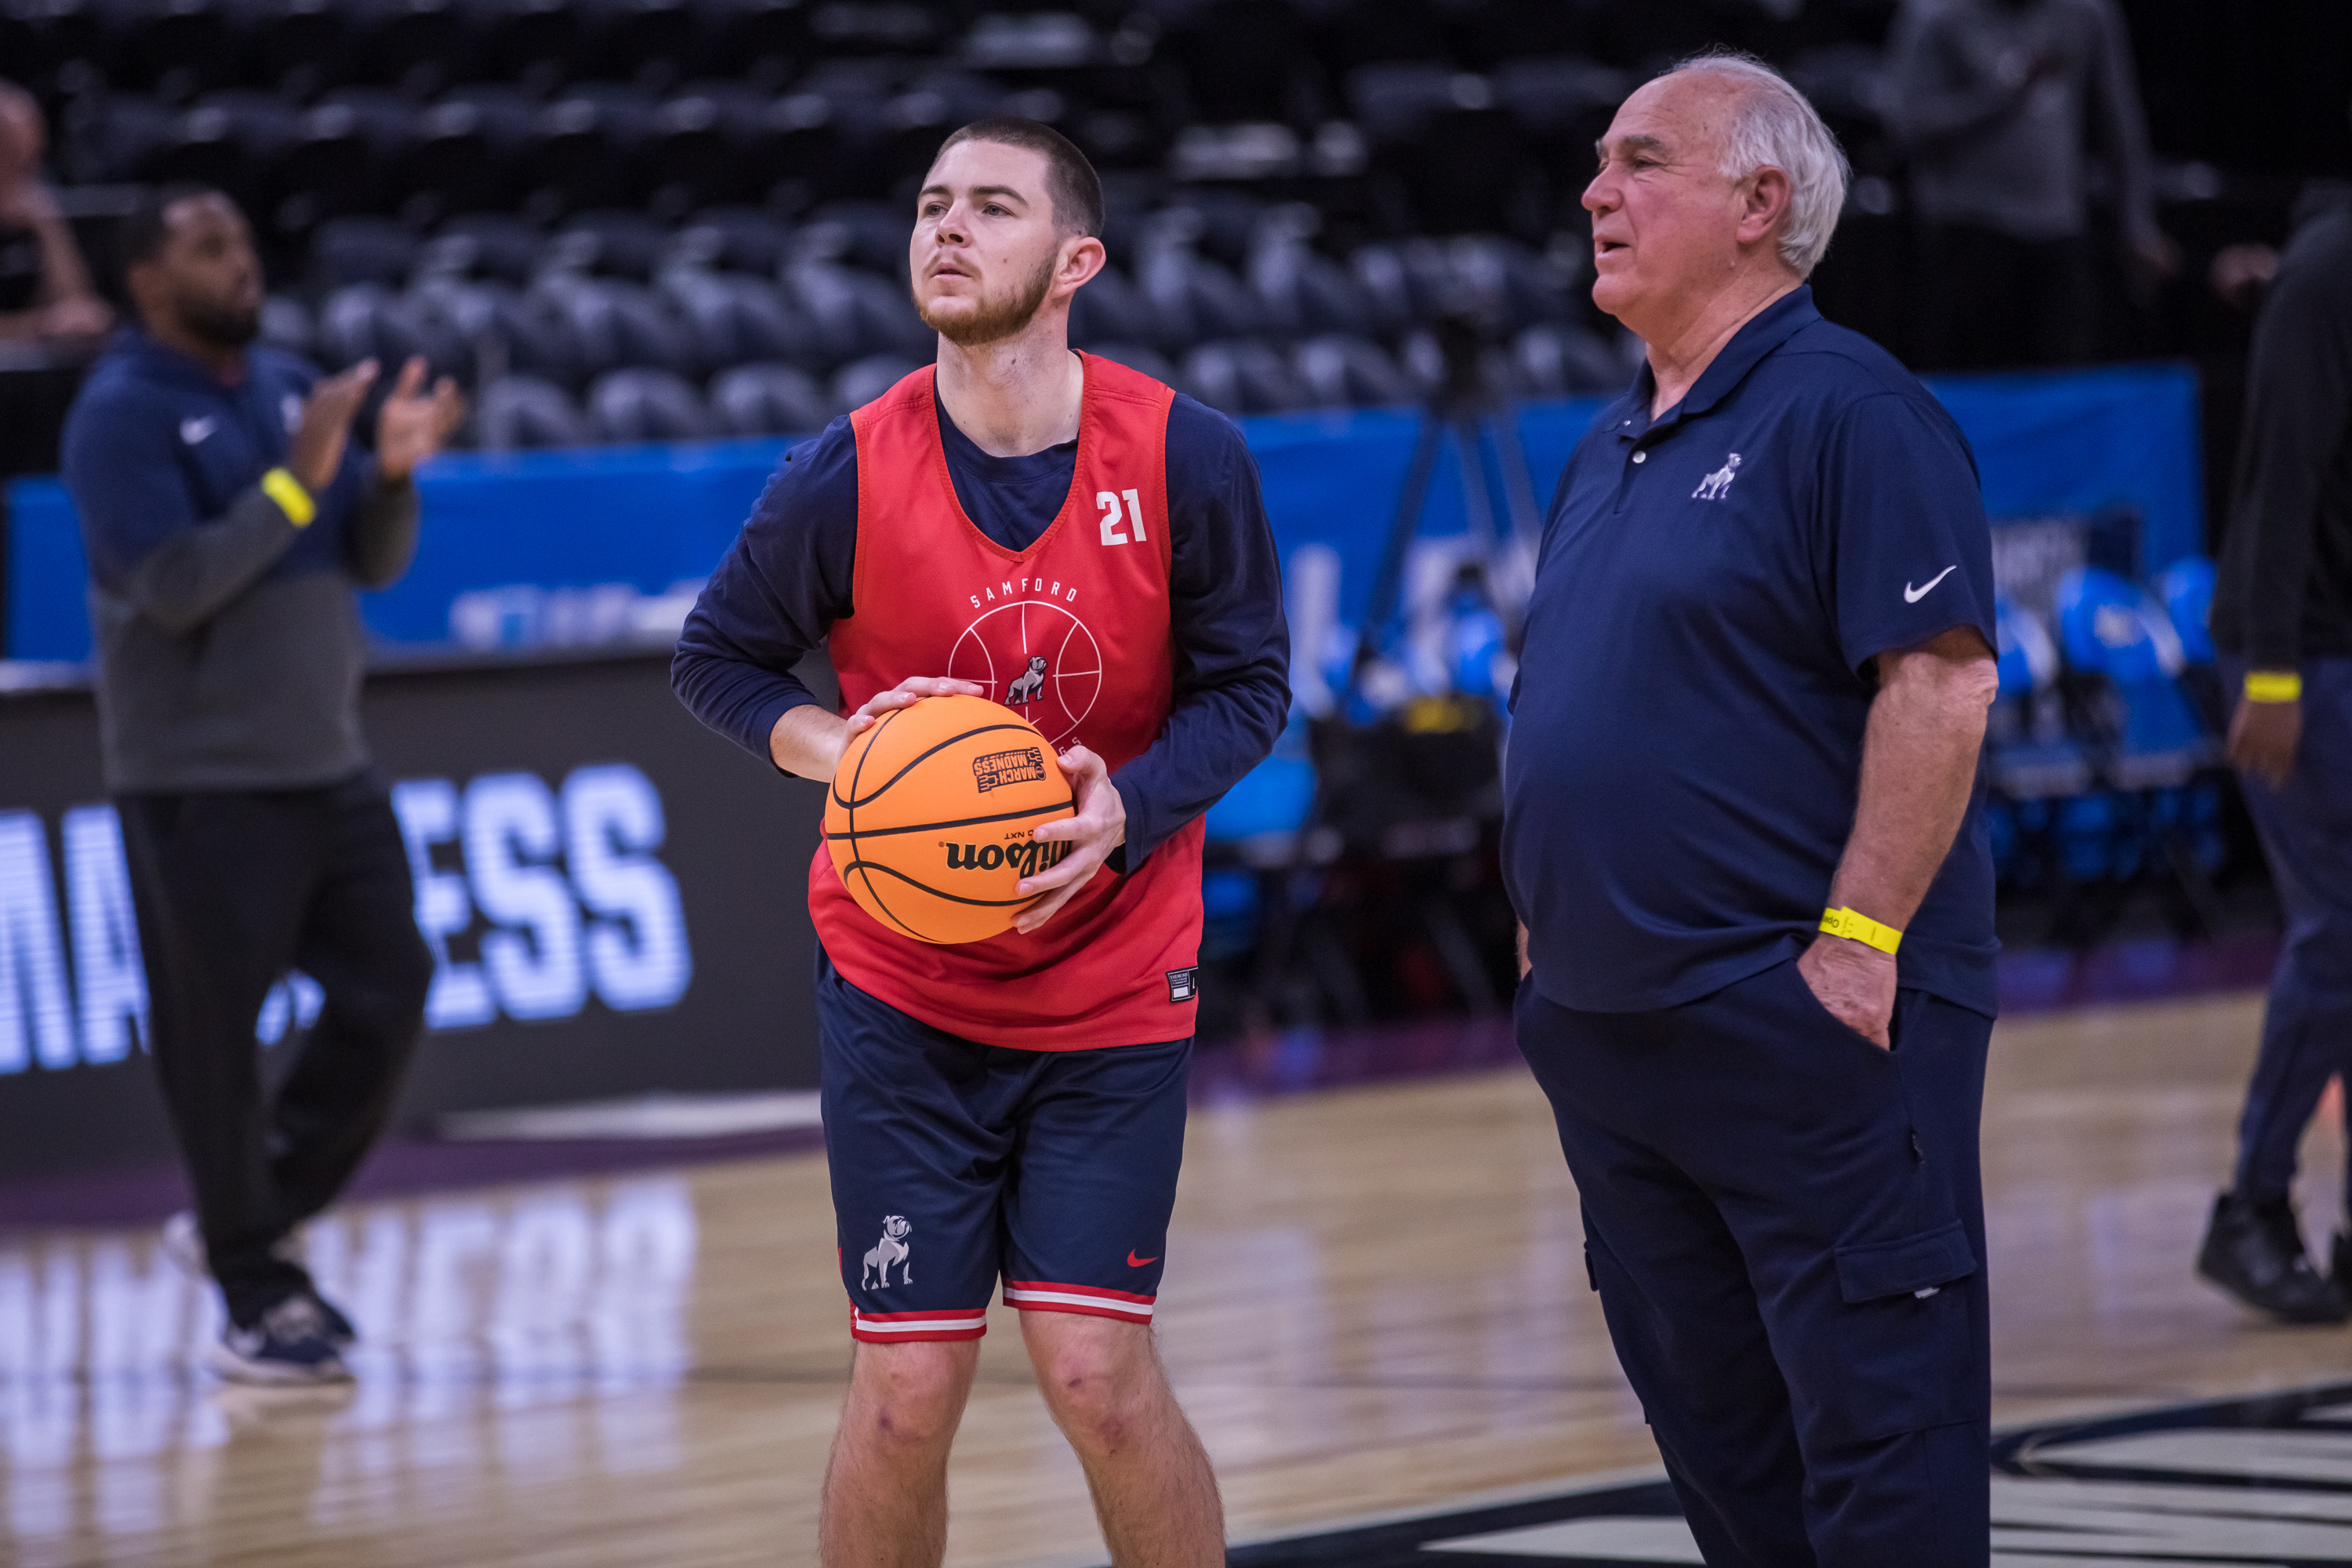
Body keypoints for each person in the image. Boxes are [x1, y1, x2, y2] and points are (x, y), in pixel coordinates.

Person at [670, 119, 1287, 1566]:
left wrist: (1125, 810)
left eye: (992, 207)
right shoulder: (845, 469)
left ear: (1077, 260)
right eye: (933, 204)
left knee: (1099, 1381)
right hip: (905, 991)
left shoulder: (1186, 455)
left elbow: (1251, 690)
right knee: (904, 1391)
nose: (946, 228)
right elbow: (719, 660)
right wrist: (856, 754)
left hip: (1114, 986)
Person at [1504, 55, 2002, 1562]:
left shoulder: (1854, 412)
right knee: (1733, 1477)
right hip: (1612, 1042)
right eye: (1599, 161)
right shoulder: (1610, 442)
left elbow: (1940, 685)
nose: (1596, 192)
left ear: (1759, 204)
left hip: (1801, 1028)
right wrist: (1546, 940)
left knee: (1881, 1464)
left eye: (1641, 162)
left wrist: (1856, 943)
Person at [60, 186, 463, 1385]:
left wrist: (385, 478)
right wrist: (295, 480)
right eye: (207, 247)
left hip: (325, 760)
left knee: (392, 982)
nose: (241, 262)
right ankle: (257, 1290)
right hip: (197, 780)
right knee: (215, 1044)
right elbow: (173, 584)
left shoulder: (295, 384)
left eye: (242, 239)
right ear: (145, 280)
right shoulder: (119, 417)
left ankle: (252, 1212)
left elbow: (369, 563)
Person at [2194, 179, 2352, 1325]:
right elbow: (2276, 483)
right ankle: (2250, 1208)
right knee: (2340, 933)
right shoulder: (2329, 270)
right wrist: (2272, 673)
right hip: (2308, 661)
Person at [1885, 0, 2176, 371]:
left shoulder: (2085, 13)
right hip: (1966, 229)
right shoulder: (1935, 13)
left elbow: (2120, 123)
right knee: (1977, 383)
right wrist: (2002, 95)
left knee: (2063, 387)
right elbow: (1906, 126)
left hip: (2058, 228)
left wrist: (2139, 226)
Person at [0, 82, 113, 347]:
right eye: (9, 157)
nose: (24, 178)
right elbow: (54, 320)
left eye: (31, 163)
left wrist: (49, 228)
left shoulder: (31, 205)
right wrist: (43, 325)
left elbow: (76, 304)